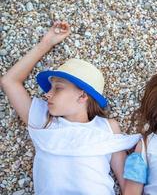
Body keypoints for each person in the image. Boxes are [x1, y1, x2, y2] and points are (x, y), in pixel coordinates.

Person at [0, 21, 140, 195]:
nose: (47, 94)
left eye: (57, 88)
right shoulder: (42, 119)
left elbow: (127, 186)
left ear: (82, 96)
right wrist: (46, 43)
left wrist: (141, 156)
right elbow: (9, 81)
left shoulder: (107, 127)